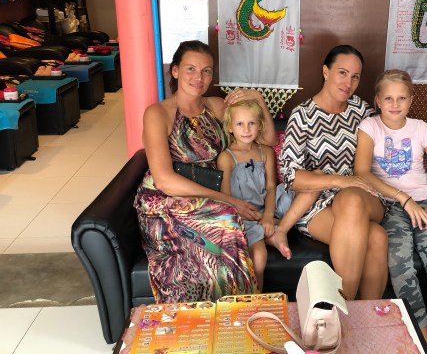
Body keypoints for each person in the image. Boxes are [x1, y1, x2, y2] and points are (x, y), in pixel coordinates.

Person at [134, 40, 278, 303]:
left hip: (212, 198)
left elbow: (268, 140)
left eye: (206, 71)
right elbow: (164, 180)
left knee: (230, 219)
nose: (198, 78)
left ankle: (238, 313)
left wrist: (257, 98)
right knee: (226, 219)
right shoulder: (158, 113)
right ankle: (228, 310)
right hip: (167, 201)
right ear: (175, 71)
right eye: (190, 69)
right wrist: (229, 201)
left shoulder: (217, 106)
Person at [354, 69, 427, 354]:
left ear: (411, 100)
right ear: (378, 100)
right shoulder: (370, 126)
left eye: (402, 98)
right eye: (388, 98)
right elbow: (362, 172)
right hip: (390, 205)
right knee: (400, 266)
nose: (395, 104)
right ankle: (423, 340)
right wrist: (403, 199)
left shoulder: (420, 128)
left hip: (426, 203)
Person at [275, 44, 389, 301]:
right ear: (326, 72)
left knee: (352, 198)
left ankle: (342, 310)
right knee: (377, 238)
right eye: (342, 73)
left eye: (355, 76)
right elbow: (291, 176)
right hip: (318, 203)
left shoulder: (362, 110)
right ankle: (367, 316)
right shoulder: (303, 115)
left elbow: (389, 141)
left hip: (364, 195)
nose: (348, 83)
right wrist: (340, 181)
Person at [216, 99, 293, 289]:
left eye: (252, 123)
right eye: (240, 124)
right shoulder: (226, 157)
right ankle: (255, 299)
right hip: (242, 215)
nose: (246, 129)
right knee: (259, 256)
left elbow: (271, 187)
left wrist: (267, 214)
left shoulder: (266, 152)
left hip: (267, 207)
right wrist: (261, 218)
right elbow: (227, 200)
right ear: (230, 127)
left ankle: (273, 227)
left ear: (260, 126)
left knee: (298, 188)